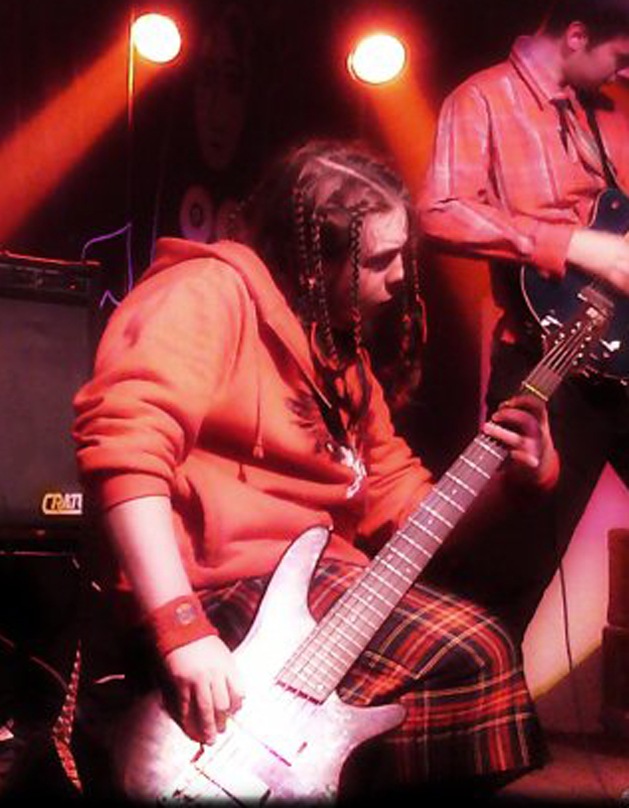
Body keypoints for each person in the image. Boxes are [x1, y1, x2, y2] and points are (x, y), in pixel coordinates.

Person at [64, 138, 559, 802]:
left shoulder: (338, 354)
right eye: (378, 260)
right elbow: (125, 452)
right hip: (218, 585)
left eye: (401, 257)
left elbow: (403, 508)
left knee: (476, 661)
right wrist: (181, 629)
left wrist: (514, 481)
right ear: (308, 262)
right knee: (471, 654)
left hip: (316, 577)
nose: (398, 280)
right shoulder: (204, 293)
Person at [418, 0, 629, 641]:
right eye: (619, 56)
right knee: (506, 579)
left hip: (623, 356)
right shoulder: (482, 99)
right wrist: (572, 245)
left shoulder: (608, 112)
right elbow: (439, 211)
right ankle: (472, 695)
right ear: (576, 35)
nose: (622, 71)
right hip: (546, 362)